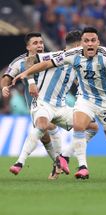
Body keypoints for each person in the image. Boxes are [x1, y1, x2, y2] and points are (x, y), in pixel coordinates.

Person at [13, 27, 106, 180]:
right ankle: (81, 167)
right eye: (86, 41)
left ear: (98, 42)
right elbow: (42, 62)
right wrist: (28, 75)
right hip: (84, 99)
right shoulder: (71, 54)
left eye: (93, 41)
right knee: (79, 126)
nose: (89, 44)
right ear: (81, 44)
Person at [9, 30, 99, 179]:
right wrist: (30, 82)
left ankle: (63, 157)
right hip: (43, 103)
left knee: (93, 127)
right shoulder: (56, 56)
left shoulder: (79, 61)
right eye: (84, 43)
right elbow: (29, 60)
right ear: (77, 45)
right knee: (43, 126)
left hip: (61, 107)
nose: (87, 45)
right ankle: (20, 162)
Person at [1, 32, 62, 174]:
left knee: (47, 125)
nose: (40, 45)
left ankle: (60, 161)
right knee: (44, 135)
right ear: (28, 47)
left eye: (41, 42)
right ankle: (58, 162)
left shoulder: (51, 58)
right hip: (35, 106)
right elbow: (6, 77)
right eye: (35, 43)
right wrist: (4, 87)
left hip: (55, 103)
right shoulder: (19, 62)